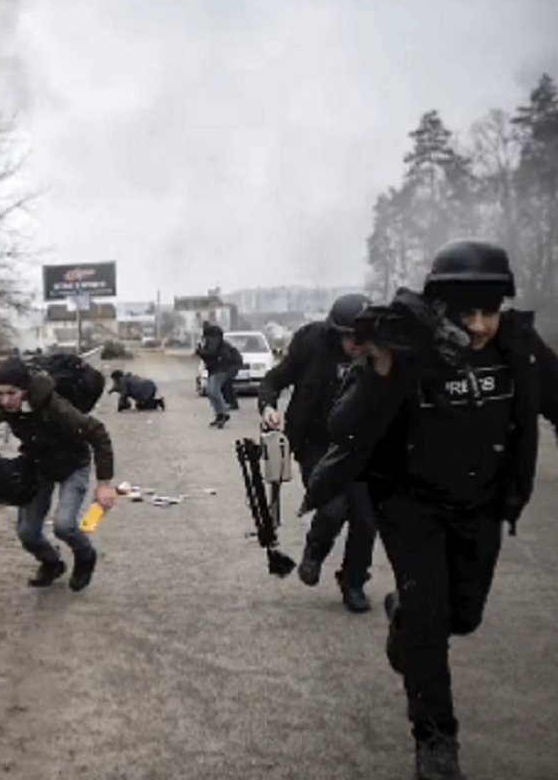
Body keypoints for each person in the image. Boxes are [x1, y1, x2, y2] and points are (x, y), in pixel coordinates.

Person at [306, 240, 558, 780]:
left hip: (482, 506)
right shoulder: (407, 347)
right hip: (411, 505)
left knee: (462, 617)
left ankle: (404, 618)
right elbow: (343, 426)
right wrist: (380, 371)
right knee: (429, 622)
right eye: (466, 312)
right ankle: (436, 739)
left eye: (489, 311)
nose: (479, 325)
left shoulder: (518, 346)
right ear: (440, 308)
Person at [0, 358, 118, 591]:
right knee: (27, 533)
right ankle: (51, 563)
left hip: (73, 465)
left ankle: (86, 555)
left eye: (12, 393)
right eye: (0, 393)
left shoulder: (52, 404)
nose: (6, 400)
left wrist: (104, 483)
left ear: (25, 391)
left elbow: (97, 432)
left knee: (64, 525)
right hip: (38, 466)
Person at [258, 293, 375, 613]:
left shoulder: (381, 353)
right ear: (336, 332)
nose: (357, 345)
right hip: (315, 443)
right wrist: (268, 406)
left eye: (363, 338)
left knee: (366, 518)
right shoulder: (310, 344)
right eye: (351, 337)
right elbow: (274, 380)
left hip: (362, 446)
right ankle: (315, 552)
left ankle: (353, 581)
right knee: (334, 506)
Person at [196, 324, 243, 428]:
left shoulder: (215, 341)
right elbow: (208, 357)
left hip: (221, 370)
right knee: (211, 391)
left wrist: (201, 352)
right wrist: (201, 353)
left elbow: (212, 354)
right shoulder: (214, 341)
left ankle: (223, 414)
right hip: (216, 370)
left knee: (214, 391)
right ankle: (219, 414)